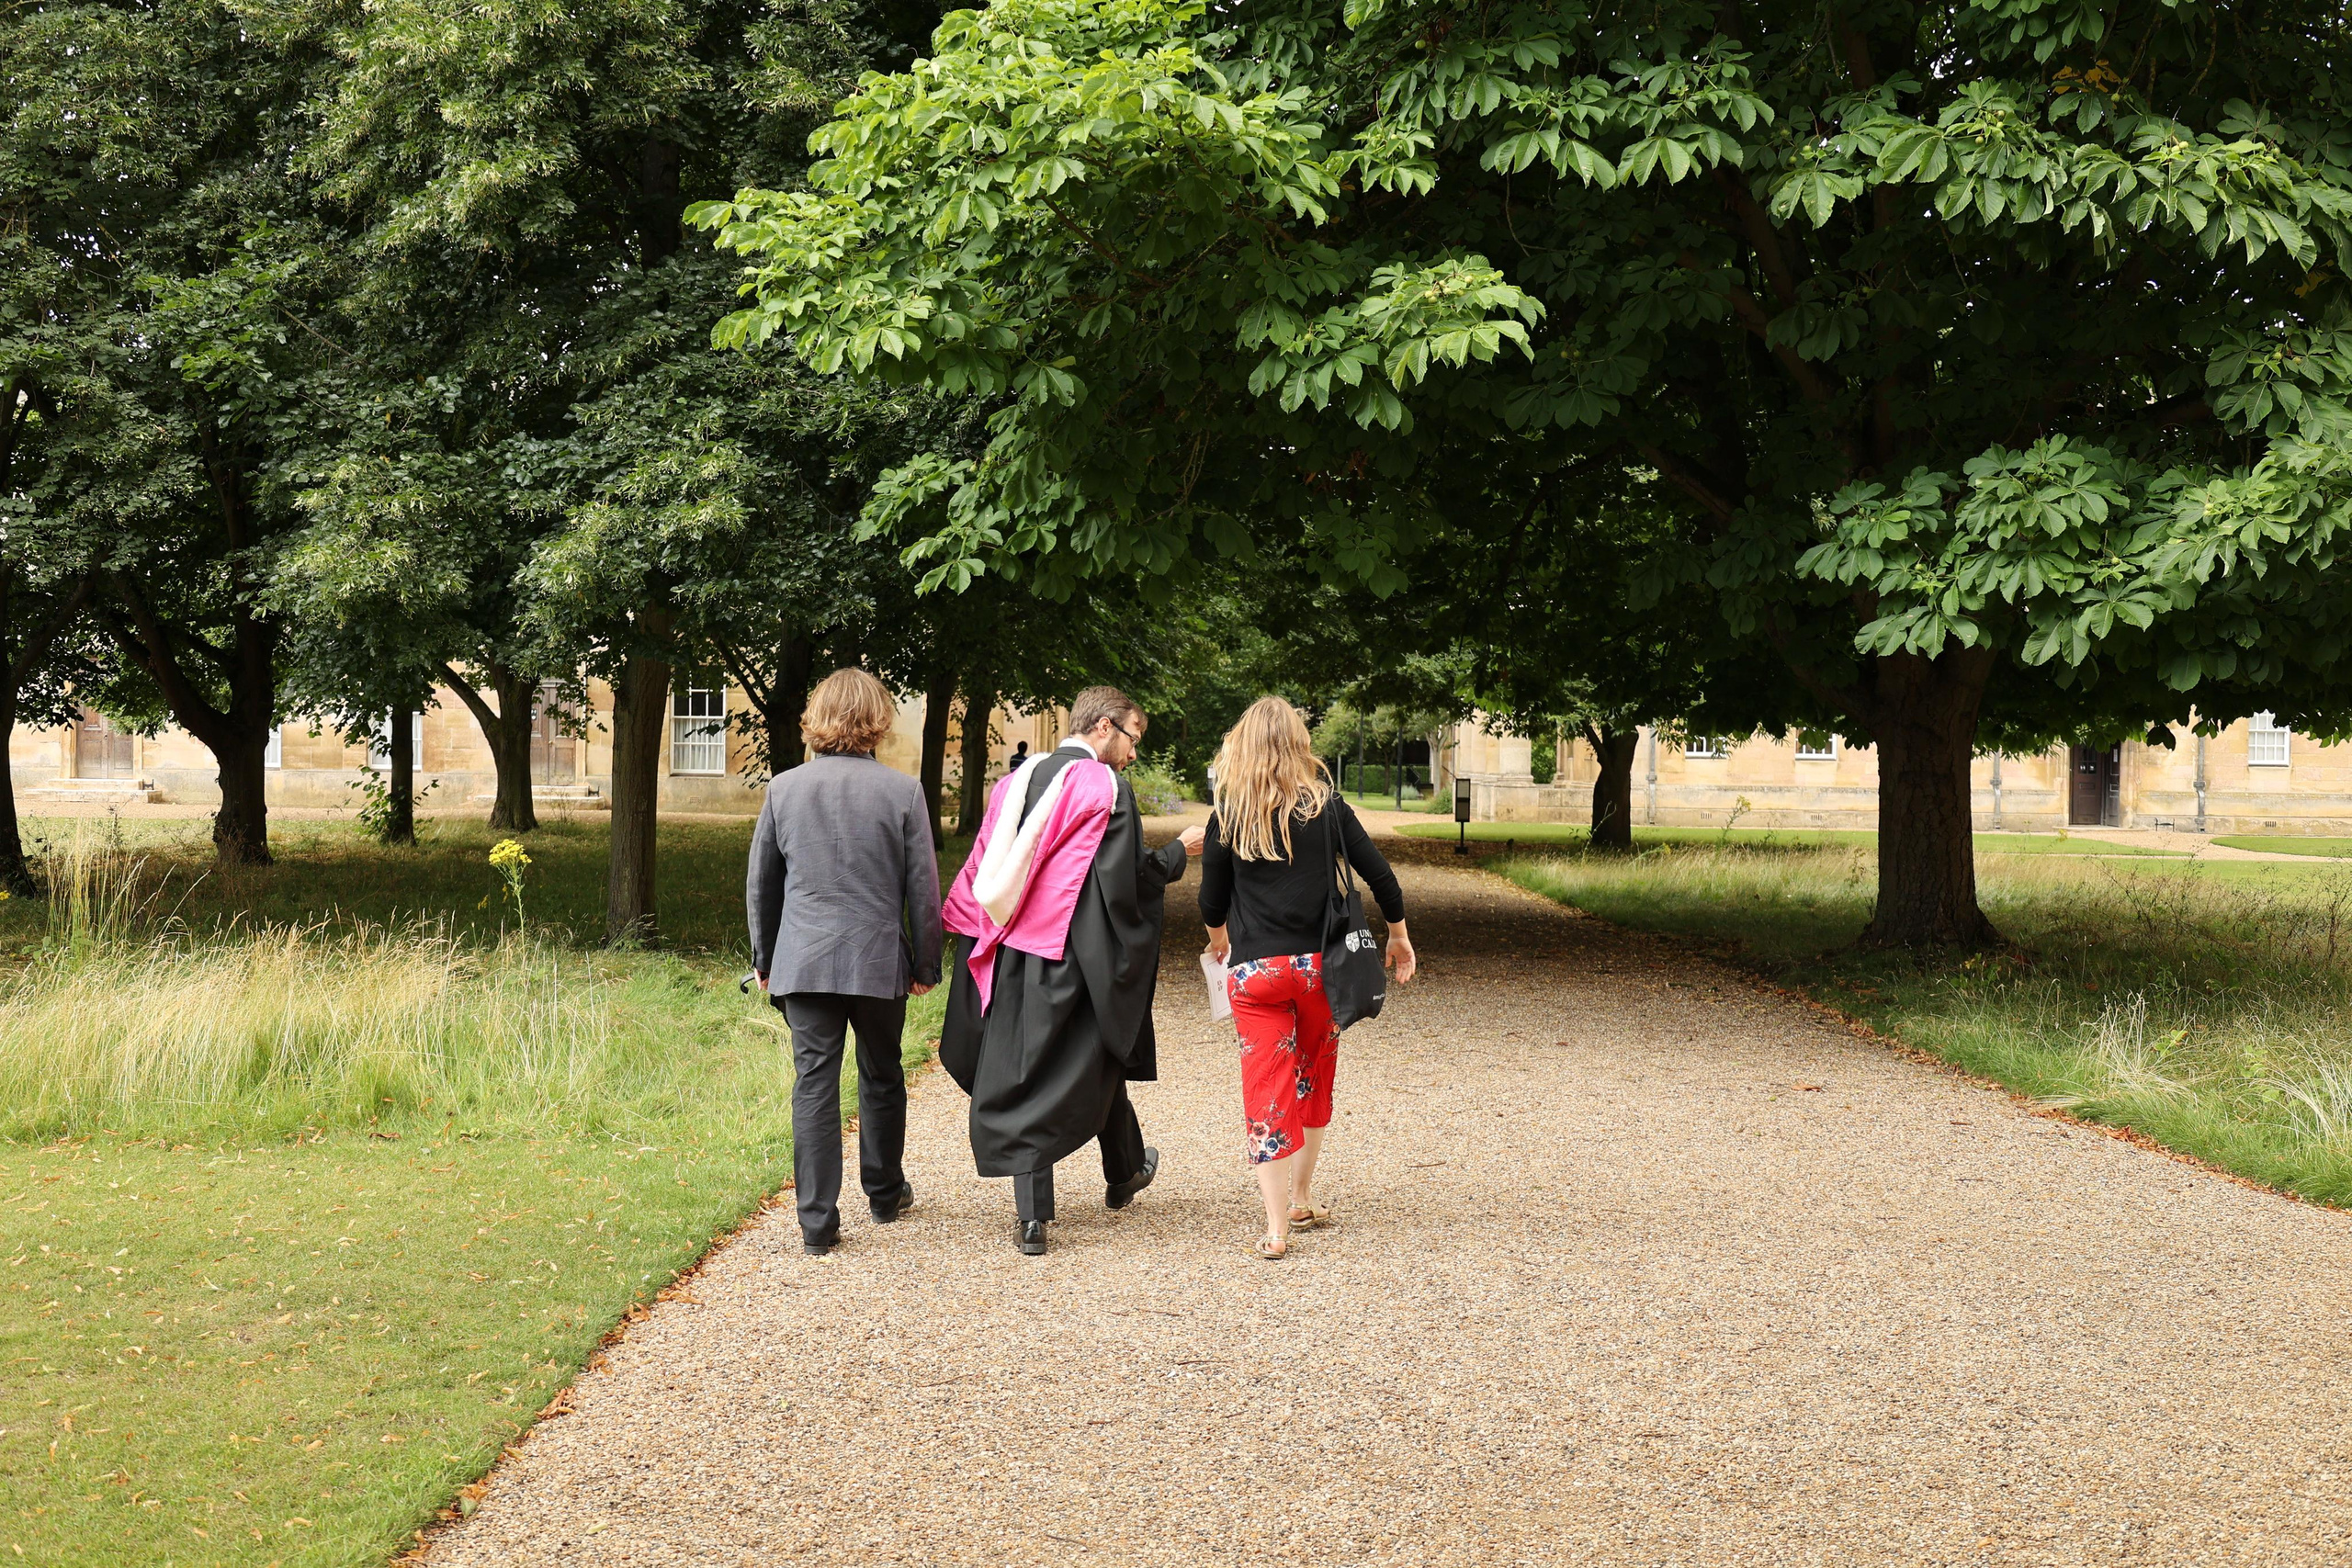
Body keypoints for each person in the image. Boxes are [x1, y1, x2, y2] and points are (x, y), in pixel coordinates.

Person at [941, 686, 1204, 1254]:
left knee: (1024, 1067)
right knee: (1097, 1051)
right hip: (1072, 952)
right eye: (1134, 738)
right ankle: (1121, 1171)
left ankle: (1059, 1205)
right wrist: (1179, 851)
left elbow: (984, 868)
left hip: (1011, 949)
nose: (1135, 754)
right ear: (1105, 727)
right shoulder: (1104, 786)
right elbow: (1127, 880)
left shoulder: (1014, 782)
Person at [1200, 697, 1415, 1260]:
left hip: (1255, 976)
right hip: (1322, 970)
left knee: (1264, 1088)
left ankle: (1275, 1228)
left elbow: (1210, 902)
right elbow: (1380, 876)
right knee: (1312, 1075)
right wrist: (1397, 935)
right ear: (1299, 745)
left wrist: (1221, 943)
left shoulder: (1229, 814)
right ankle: (1301, 1195)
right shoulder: (1329, 809)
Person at [747, 668, 944, 1257]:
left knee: (814, 1082)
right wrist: (927, 964)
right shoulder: (903, 792)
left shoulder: (784, 789)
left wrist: (766, 958)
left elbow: (763, 885)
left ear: (817, 718)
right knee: (882, 1074)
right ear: (876, 721)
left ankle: (816, 1222)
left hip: (804, 961)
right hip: (878, 959)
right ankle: (883, 1194)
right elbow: (924, 890)